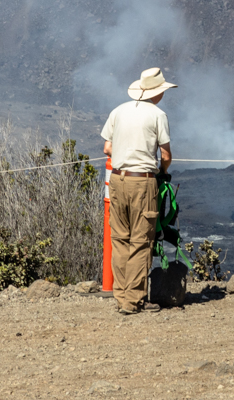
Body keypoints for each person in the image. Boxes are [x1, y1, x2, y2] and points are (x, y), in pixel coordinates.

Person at [100, 66, 176, 316]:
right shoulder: (158, 115)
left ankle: (122, 297)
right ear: (158, 92)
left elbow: (107, 148)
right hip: (142, 182)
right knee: (142, 240)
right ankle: (133, 301)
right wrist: (162, 171)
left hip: (118, 180)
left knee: (120, 238)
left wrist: (126, 150)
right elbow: (165, 155)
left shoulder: (118, 111)